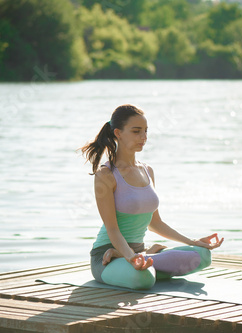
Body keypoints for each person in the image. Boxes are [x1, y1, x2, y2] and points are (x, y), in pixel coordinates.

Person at [80, 104, 223, 290]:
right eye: (136, 131)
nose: (143, 137)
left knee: (202, 255)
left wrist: (192, 241)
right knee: (144, 278)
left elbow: (155, 223)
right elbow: (113, 229)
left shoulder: (147, 171)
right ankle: (143, 260)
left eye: (146, 131)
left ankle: (147, 257)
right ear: (118, 133)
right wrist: (130, 257)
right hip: (105, 258)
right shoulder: (106, 175)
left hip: (136, 253)